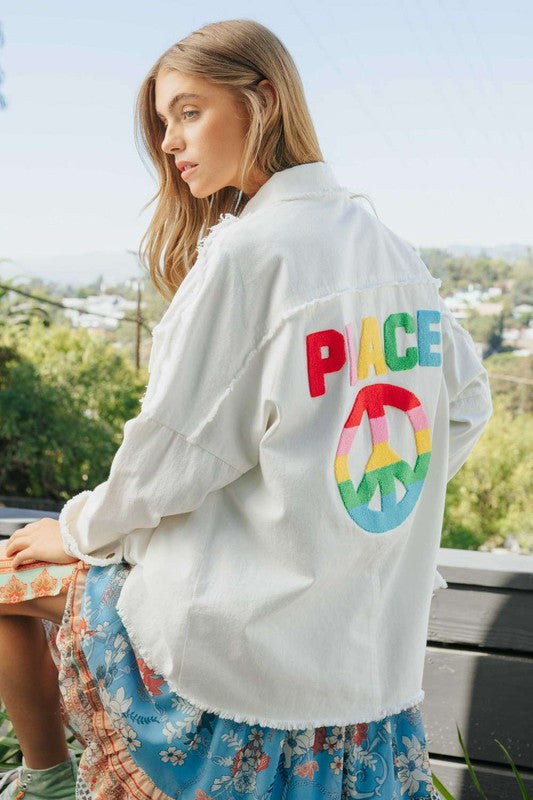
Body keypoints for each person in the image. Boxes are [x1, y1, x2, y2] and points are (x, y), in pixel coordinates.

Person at [0, 18, 492, 800]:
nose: (170, 142)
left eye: (189, 112)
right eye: (164, 122)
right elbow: (464, 404)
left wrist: (78, 527)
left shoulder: (245, 255)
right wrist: (352, 518)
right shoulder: (387, 249)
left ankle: (47, 782)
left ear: (261, 100)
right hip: (358, 652)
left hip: (233, 645)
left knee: (8, 575)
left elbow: (169, 456)